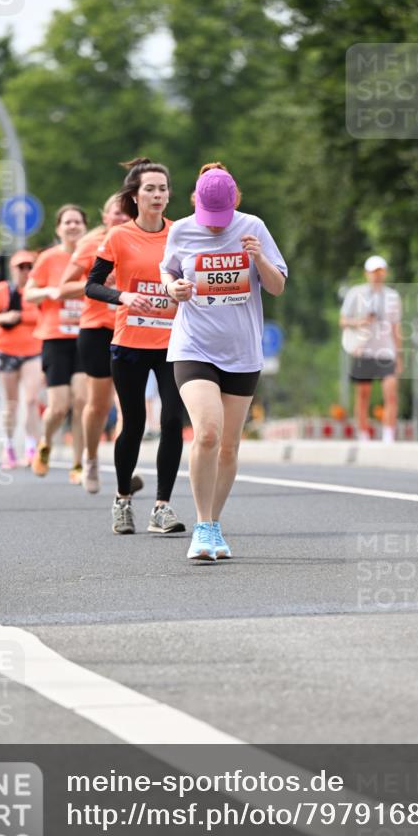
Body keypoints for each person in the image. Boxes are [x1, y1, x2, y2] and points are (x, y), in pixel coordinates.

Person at [160, 163, 287, 561]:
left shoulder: (254, 227)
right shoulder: (181, 230)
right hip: (193, 346)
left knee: (229, 448)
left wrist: (259, 258)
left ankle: (213, 525)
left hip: (242, 353)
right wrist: (174, 288)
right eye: (208, 219)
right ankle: (201, 526)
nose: (214, 228)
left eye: (221, 219)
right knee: (209, 433)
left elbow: (278, 286)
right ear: (196, 202)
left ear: (234, 202)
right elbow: (167, 271)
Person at [85, 158, 185, 535]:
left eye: (163, 188)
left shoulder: (180, 233)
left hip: (173, 343)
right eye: (150, 189)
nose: (158, 195)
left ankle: (162, 507)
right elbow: (91, 285)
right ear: (135, 195)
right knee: (134, 423)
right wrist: (123, 297)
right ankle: (123, 498)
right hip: (129, 341)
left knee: (173, 420)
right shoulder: (119, 237)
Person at [58, 194, 132, 493]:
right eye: (117, 213)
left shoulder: (142, 240)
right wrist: (101, 283)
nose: (123, 218)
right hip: (97, 329)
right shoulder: (91, 244)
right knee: (98, 405)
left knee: (130, 406)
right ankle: (90, 459)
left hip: (132, 329)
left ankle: (124, 468)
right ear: (105, 217)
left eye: (128, 214)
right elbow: (64, 288)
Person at [24, 205, 88, 482]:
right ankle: (46, 442)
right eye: (67, 222)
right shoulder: (49, 259)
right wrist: (49, 291)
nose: (72, 226)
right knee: (59, 407)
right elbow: (28, 294)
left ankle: (78, 464)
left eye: (77, 222)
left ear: (85, 227)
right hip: (55, 337)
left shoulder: (93, 255)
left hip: (86, 335)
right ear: (58, 228)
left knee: (82, 400)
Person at [0, 249, 43, 468]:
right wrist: (5, 316)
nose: (26, 271)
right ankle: (7, 446)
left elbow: (44, 316)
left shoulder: (37, 291)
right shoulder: (0, 290)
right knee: (11, 403)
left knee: (31, 400)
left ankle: (31, 447)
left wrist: (22, 317)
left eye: (29, 267)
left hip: (33, 350)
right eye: (21, 267)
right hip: (6, 351)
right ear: (13, 268)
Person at [339, 255, 402, 442]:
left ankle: (389, 433)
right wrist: (360, 322)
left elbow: (396, 328)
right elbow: (343, 321)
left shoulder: (393, 296)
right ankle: (363, 432)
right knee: (363, 394)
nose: (377, 275)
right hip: (363, 349)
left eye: (380, 272)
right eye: (374, 272)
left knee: (390, 392)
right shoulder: (355, 293)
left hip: (386, 350)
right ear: (367, 273)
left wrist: (400, 355)